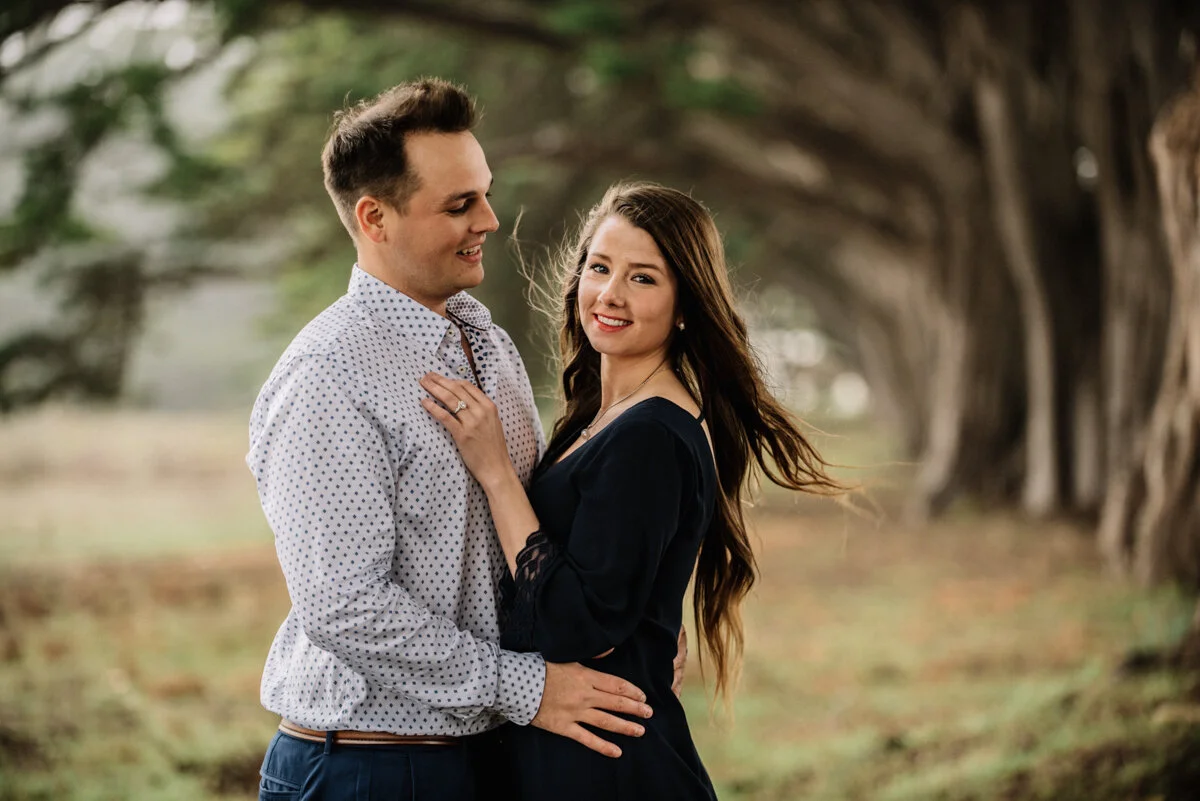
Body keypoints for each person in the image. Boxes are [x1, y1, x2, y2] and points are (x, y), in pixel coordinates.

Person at [246, 79, 662, 801]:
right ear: (375, 218)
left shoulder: (488, 344)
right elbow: (345, 604)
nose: (490, 221)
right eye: (459, 204)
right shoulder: (329, 374)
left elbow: (528, 532)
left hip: (486, 755)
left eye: (486, 195)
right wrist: (528, 687)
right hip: (368, 768)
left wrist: (633, 628)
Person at [421, 181, 845, 799]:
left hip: (610, 769)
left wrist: (496, 474)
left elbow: (576, 624)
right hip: (578, 757)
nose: (610, 294)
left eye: (643, 278)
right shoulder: (602, 415)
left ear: (685, 305)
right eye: (600, 268)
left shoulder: (650, 436)